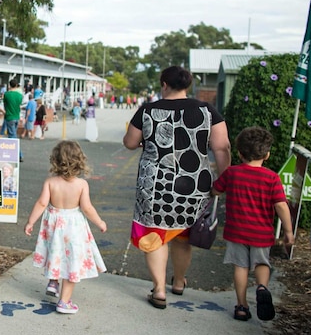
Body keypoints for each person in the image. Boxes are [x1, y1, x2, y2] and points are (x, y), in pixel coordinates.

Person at [123, 65, 231, 310]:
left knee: (155, 235)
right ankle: (179, 282)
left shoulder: (148, 110)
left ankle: (159, 290)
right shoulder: (207, 110)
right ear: (188, 86)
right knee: (183, 237)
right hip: (194, 185)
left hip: (155, 184)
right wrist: (223, 181)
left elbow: (130, 142)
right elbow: (222, 147)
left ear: (164, 84)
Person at [212, 127, 295, 321]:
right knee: (261, 263)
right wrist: (288, 231)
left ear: (239, 153)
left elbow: (215, 190)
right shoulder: (271, 178)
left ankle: (242, 306)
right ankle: (262, 287)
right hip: (261, 233)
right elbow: (281, 206)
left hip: (237, 231)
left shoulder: (232, 173)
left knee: (240, 266)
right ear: (267, 154)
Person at [24, 140, 107, 314]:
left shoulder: (51, 182)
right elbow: (87, 208)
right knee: (71, 262)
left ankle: (53, 281)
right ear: (80, 161)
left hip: (53, 224)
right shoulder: (81, 185)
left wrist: (31, 222)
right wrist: (99, 222)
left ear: (55, 160)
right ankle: (64, 301)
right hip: (73, 228)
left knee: (55, 251)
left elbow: (41, 203)